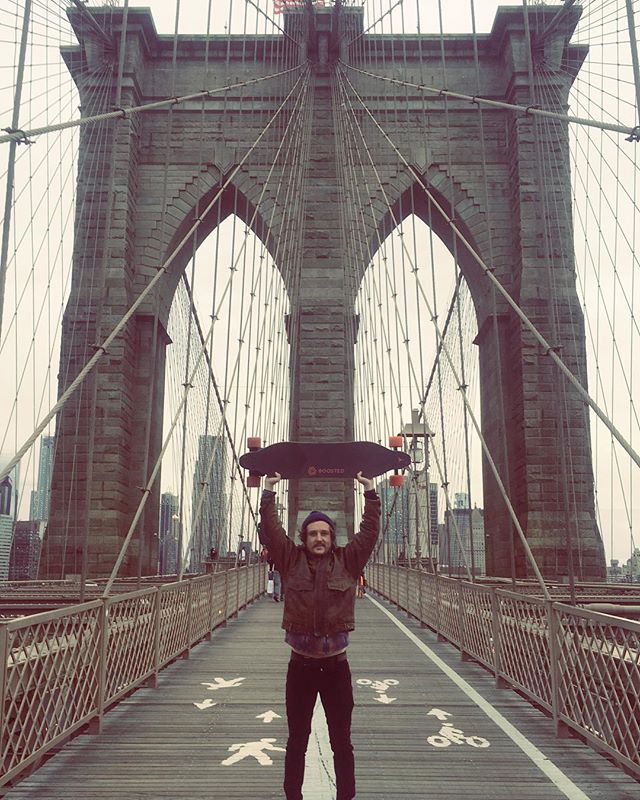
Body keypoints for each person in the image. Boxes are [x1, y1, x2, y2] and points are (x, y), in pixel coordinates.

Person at [259, 470, 380, 800]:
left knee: (342, 740)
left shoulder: (349, 561)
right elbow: (271, 531)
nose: (319, 539)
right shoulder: (290, 560)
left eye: (324, 533)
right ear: (304, 537)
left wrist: (370, 493)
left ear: (333, 537)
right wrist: (268, 491)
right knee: (296, 739)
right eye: (313, 534)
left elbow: (368, 535)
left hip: (336, 668)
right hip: (300, 668)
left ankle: (346, 797)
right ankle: (292, 797)